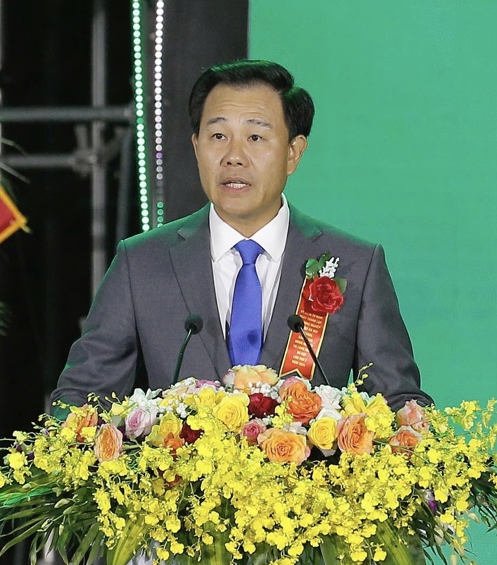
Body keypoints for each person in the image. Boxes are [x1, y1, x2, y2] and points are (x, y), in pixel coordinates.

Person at [52, 59, 430, 412]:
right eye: (218, 135)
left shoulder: (355, 265)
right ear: (197, 146)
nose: (234, 156)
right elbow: (80, 399)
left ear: (293, 153)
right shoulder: (142, 262)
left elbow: (399, 403)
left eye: (255, 137)